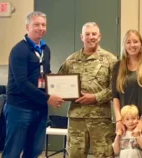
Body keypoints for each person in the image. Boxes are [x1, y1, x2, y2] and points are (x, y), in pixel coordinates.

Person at [2, 11, 64, 158]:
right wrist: (47, 98)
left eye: (43, 25)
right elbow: (22, 82)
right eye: (36, 24)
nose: (40, 28)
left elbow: (45, 74)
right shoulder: (19, 50)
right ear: (27, 27)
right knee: (13, 151)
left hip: (39, 108)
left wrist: (56, 82)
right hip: (19, 108)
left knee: (35, 150)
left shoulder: (45, 49)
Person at [58, 22, 118, 158]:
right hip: (76, 118)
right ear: (81, 37)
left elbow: (115, 88)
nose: (91, 37)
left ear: (99, 36)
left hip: (100, 118)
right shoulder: (71, 60)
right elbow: (59, 83)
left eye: (94, 34)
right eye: (87, 34)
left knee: (105, 155)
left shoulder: (110, 60)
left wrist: (96, 97)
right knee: (74, 155)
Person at [112, 29, 142, 158]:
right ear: (124, 45)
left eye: (135, 42)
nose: (132, 45)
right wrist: (119, 120)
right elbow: (115, 96)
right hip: (125, 123)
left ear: (141, 44)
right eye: (129, 42)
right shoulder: (118, 67)